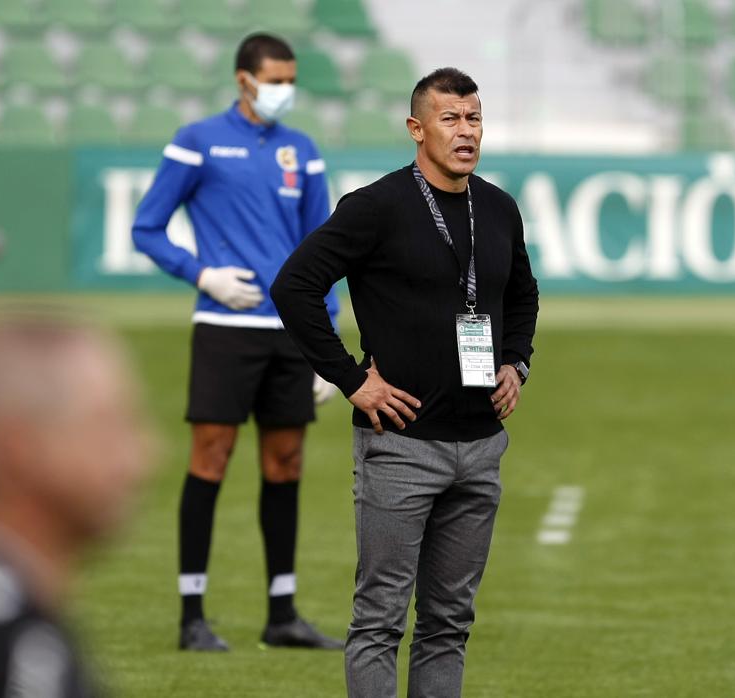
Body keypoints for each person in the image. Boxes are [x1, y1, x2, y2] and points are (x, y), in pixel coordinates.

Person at [271, 67, 540, 697]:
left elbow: (522, 293)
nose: (466, 131)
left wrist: (516, 360)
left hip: (480, 447)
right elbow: (295, 286)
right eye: (451, 119)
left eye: (474, 118)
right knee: (380, 620)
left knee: (449, 623)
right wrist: (350, 379)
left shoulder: (499, 207)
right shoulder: (376, 207)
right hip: (400, 446)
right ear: (417, 129)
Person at [131, 32, 342, 652]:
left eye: (291, 78)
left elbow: (322, 251)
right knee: (211, 459)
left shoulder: (303, 152)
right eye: (276, 78)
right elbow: (146, 227)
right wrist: (202, 275)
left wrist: (326, 345)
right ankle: (191, 615)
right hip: (225, 329)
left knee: (286, 465)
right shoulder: (197, 141)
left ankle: (282, 615)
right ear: (243, 79)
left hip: (290, 334)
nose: (286, 90)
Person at [0, 317, 153, 697]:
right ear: (20, 450)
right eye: (106, 429)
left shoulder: (25, 621)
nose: (141, 457)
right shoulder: (9, 642)